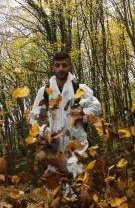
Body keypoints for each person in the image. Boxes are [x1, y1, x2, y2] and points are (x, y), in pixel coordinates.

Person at [29, 51, 101, 179]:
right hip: (53, 150)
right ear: (53, 67)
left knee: (77, 188)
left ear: (70, 67)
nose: (61, 69)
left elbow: (96, 107)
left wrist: (82, 114)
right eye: (57, 65)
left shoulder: (79, 89)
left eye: (64, 65)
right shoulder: (45, 92)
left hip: (77, 148)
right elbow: (34, 118)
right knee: (55, 189)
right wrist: (44, 131)